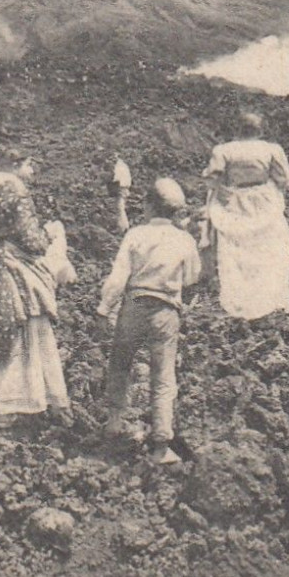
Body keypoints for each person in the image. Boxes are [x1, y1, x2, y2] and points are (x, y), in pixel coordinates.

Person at [0, 147, 70, 432]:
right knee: (24, 336)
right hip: (15, 269)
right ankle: (8, 413)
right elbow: (32, 241)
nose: (32, 171)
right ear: (14, 165)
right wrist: (52, 235)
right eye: (29, 164)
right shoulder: (17, 191)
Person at [99, 178, 202, 465]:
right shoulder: (185, 240)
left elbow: (118, 277)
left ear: (148, 206)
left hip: (133, 304)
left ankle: (115, 424)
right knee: (163, 375)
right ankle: (160, 444)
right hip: (166, 310)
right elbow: (193, 279)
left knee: (120, 364)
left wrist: (103, 308)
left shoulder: (136, 234)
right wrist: (183, 304)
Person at [203, 112, 289, 321]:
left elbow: (212, 179)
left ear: (237, 129)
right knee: (269, 251)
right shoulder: (272, 150)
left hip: (233, 206)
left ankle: (238, 304)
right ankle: (271, 300)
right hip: (264, 205)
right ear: (260, 130)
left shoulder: (224, 150)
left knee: (234, 253)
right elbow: (284, 178)